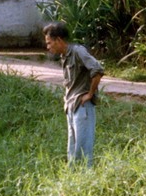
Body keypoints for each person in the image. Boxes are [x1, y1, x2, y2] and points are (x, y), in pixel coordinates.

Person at [43, 21, 104, 166]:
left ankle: (86, 181)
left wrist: (89, 94)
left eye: (49, 43)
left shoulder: (78, 51)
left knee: (83, 151)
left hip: (82, 107)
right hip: (72, 107)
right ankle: (73, 180)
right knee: (72, 150)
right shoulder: (65, 56)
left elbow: (97, 70)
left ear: (58, 40)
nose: (48, 47)